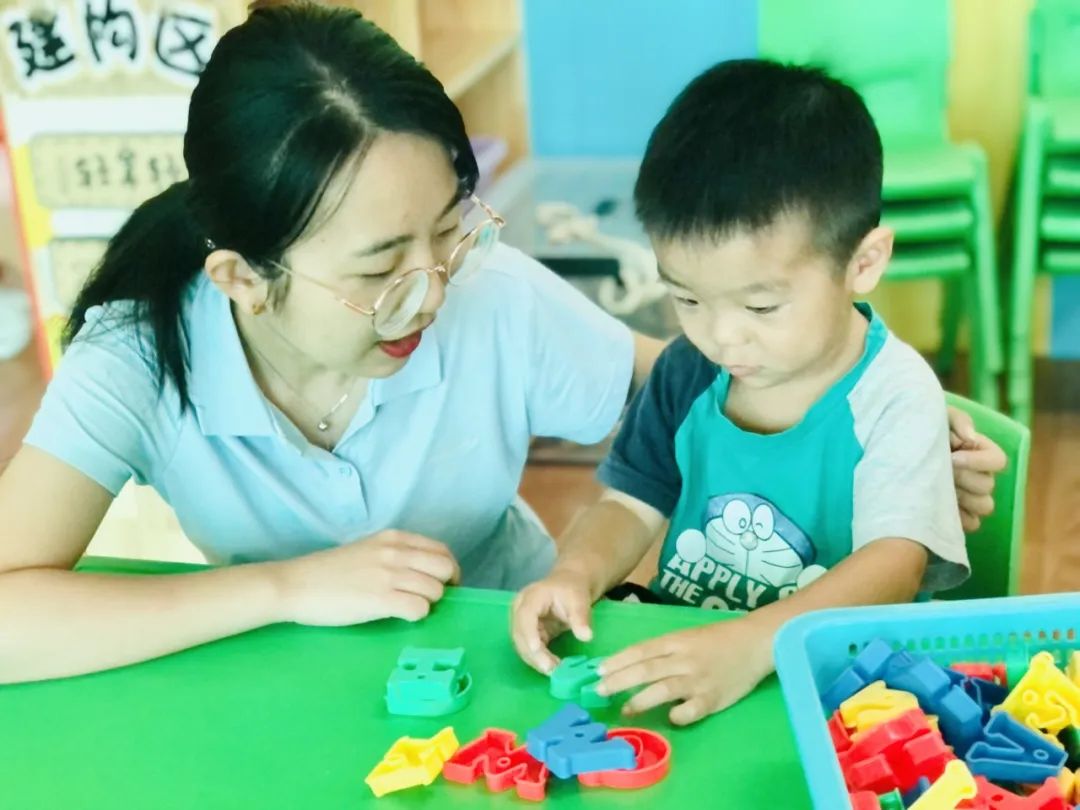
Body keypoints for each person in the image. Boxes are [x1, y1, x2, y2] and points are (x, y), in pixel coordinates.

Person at [0, 7, 1002, 687]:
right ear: (241, 279)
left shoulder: (486, 294)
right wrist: (286, 585)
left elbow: (690, 401)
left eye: (449, 227)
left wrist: (883, 451)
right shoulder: (139, 356)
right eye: (383, 263)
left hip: (508, 656)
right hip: (282, 667)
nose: (431, 289)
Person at [511, 60, 1002, 726]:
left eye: (762, 308)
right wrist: (574, 572)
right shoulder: (688, 371)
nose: (720, 339)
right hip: (699, 661)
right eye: (686, 297)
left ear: (863, 263)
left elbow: (895, 566)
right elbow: (629, 506)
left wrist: (752, 643)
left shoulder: (896, 394)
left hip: (841, 686)